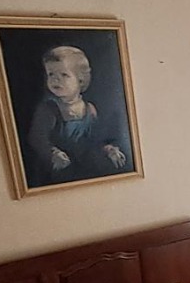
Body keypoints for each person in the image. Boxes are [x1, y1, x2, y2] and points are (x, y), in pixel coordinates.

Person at [24, 44, 131, 184]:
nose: (55, 79)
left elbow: (95, 141)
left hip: (83, 170)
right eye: (51, 74)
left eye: (64, 75)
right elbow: (37, 139)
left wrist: (110, 150)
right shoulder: (48, 109)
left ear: (80, 80)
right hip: (57, 172)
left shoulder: (89, 109)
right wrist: (54, 154)